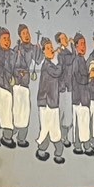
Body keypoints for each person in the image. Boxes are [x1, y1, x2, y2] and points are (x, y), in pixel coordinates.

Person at [34, 35, 68, 163]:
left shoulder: (49, 65)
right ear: (43, 51)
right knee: (49, 128)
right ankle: (54, 152)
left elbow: (57, 79)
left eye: (51, 47)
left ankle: (48, 151)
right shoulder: (47, 65)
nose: (51, 50)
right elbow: (57, 72)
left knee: (50, 128)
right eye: (48, 48)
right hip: (47, 103)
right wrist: (61, 58)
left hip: (50, 102)